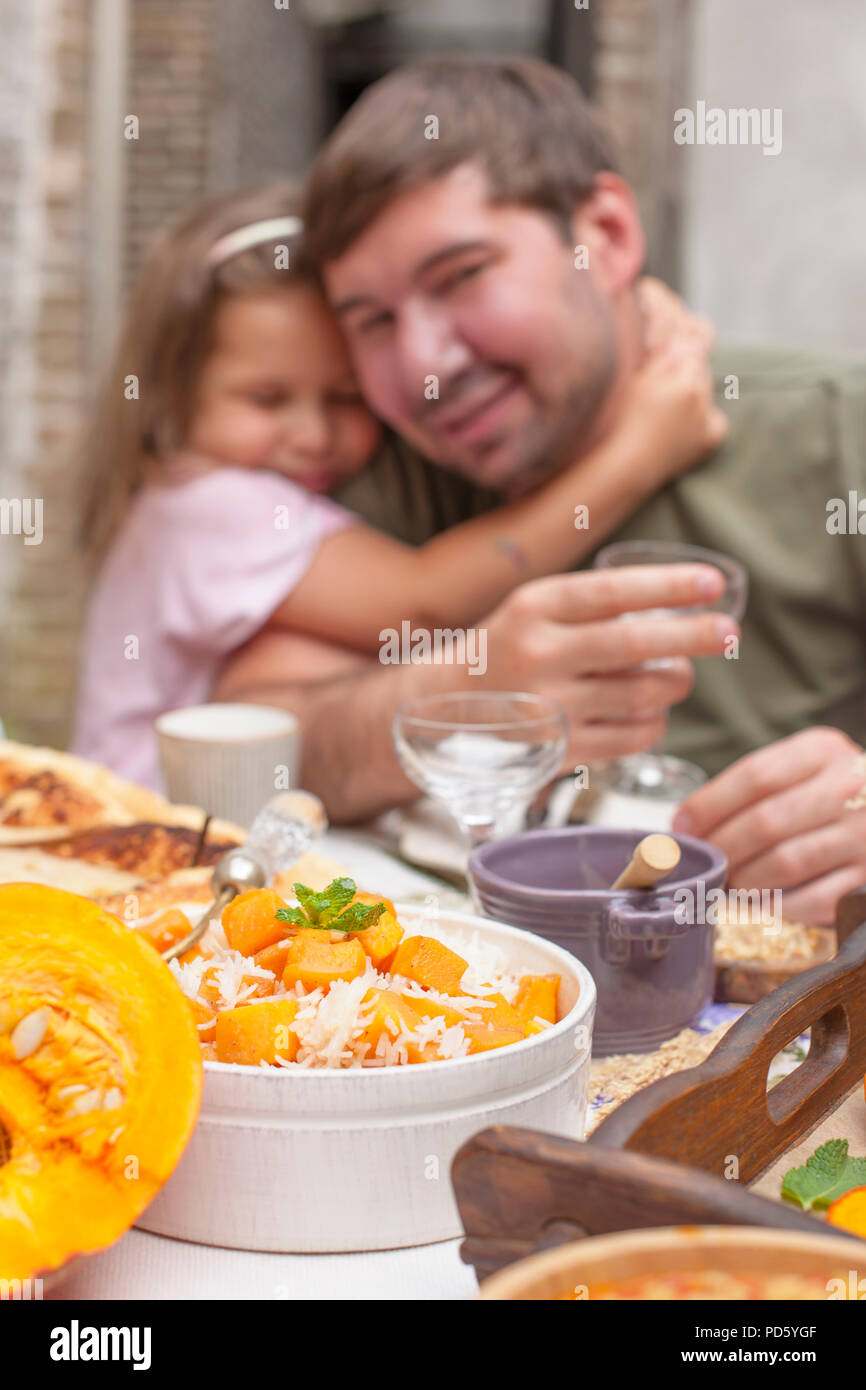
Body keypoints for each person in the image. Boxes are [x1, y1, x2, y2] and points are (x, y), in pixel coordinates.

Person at [214, 56, 866, 924]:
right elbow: (246, 744)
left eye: (461, 276)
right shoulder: (388, 470)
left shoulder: (834, 432)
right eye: (371, 321)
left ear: (608, 236)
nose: (424, 365)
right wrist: (458, 694)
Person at [72, 183, 726, 789]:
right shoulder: (211, 508)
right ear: (174, 395)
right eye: (267, 399)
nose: (313, 434)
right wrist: (641, 451)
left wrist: (637, 309)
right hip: (141, 838)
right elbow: (428, 602)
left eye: (346, 396)